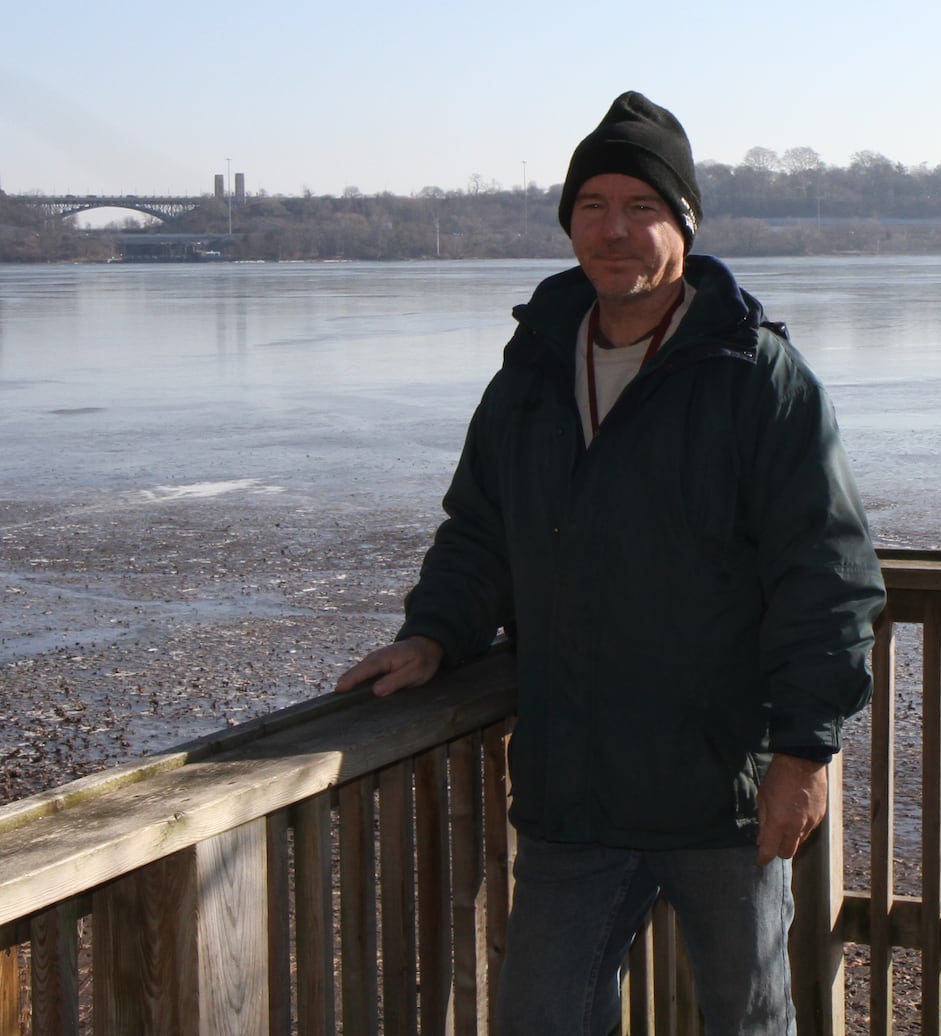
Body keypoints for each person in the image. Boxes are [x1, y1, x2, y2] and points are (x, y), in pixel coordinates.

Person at [336, 91, 885, 1035]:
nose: (614, 229)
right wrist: (432, 637)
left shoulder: (756, 378)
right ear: (569, 224)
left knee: (749, 1021)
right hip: (573, 796)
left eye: (641, 207)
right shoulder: (532, 373)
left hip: (723, 794)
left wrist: (803, 753)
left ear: (685, 225)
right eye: (592, 206)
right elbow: (480, 532)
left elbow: (826, 577)